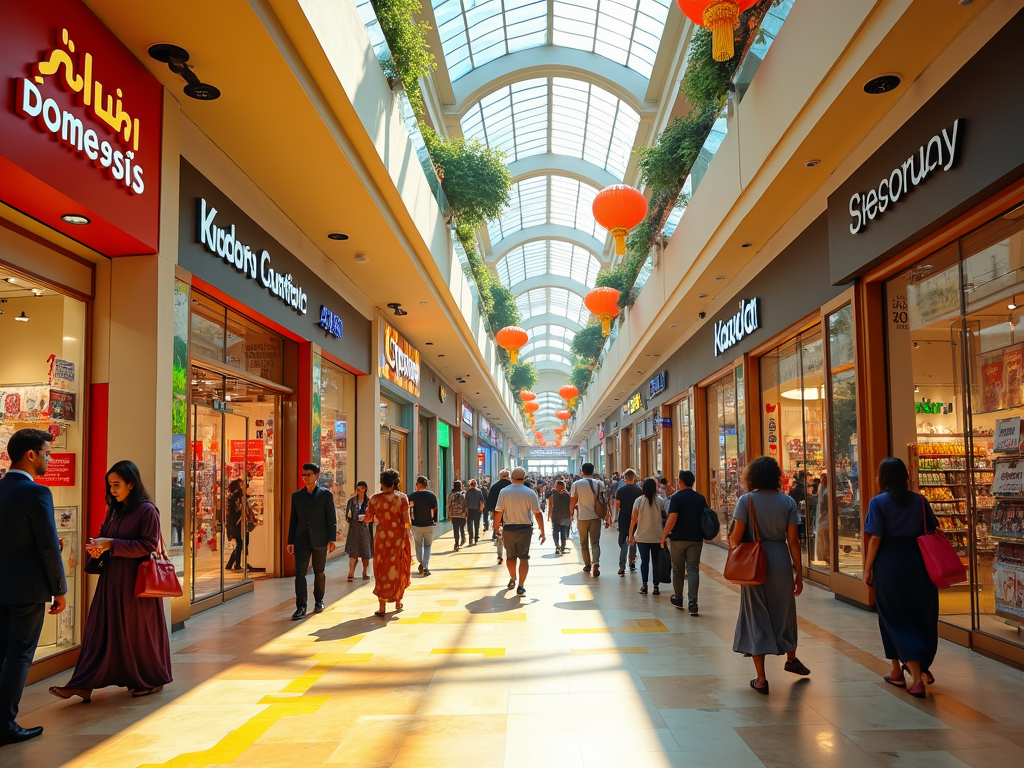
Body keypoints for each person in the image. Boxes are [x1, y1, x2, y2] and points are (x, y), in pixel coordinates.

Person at [50, 459, 172, 704]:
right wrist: (97, 546)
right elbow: (105, 534)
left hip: (136, 582)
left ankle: (150, 679)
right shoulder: (115, 509)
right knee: (100, 630)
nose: (112, 490)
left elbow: (149, 545)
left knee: (136, 632)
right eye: (110, 486)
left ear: (131, 484)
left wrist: (112, 545)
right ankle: (83, 684)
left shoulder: (147, 510)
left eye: (116, 485)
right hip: (112, 579)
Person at [0, 429, 66, 745]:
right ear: (31, 455)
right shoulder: (37, 493)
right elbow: (47, 547)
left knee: (3, 653)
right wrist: (60, 588)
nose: (48, 459)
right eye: (46, 453)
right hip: (28, 590)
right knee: (20, 654)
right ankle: (5, 723)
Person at [730, 456, 809, 694]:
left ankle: (762, 678)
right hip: (781, 559)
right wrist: (799, 571)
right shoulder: (787, 502)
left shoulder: (746, 501)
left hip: (756, 562)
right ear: (776, 477)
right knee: (785, 610)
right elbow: (794, 540)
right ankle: (791, 658)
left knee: (756, 615)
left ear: (752, 476)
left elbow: (735, 537)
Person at [864, 458, 939, 699]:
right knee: (919, 614)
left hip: (889, 563)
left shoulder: (878, 503)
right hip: (920, 562)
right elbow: (932, 529)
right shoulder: (920, 500)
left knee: (892, 616)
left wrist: (867, 568)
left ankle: (916, 677)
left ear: (882, 477)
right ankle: (897, 670)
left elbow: (875, 538)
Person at [287, 464, 337, 620]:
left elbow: (331, 519)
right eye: (303, 475)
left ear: (317, 475)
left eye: (308, 474)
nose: (305, 478)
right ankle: (301, 606)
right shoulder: (296, 496)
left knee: (319, 572)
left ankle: (319, 601)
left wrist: (331, 539)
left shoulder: (326, 495)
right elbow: (293, 520)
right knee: (300, 573)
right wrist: (291, 540)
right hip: (302, 539)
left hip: (320, 539)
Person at [364, 469, 412, 617]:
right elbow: (407, 522)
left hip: (381, 539)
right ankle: (398, 601)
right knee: (398, 568)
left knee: (382, 570)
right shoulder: (402, 498)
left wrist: (379, 519)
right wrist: (407, 534)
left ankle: (382, 606)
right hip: (398, 539)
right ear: (395, 483)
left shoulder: (374, 499)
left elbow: (367, 519)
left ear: (382, 483)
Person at [494, 467, 545, 596]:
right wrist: (542, 531)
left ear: (511, 478)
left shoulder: (504, 492)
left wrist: (495, 528)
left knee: (510, 557)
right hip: (525, 529)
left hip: (509, 529)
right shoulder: (530, 493)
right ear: (525, 478)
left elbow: (498, 511)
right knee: (524, 557)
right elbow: (537, 513)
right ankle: (521, 586)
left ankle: (512, 578)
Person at [662, 470, 707, 615]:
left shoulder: (676, 497)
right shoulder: (700, 498)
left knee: (678, 569)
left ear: (681, 482)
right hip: (695, 538)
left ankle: (678, 597)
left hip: (678, 539)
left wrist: (663, 537)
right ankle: (693, 602)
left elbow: (672, 519)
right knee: (693, 569)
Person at [628, 478, 667, 595]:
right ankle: (656, 586)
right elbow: (666, 516)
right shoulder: (660, 501)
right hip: (656, 536)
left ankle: (644, 585)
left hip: (642, 536)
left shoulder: (638, 501)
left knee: (644, 561)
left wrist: (630, 535)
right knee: (656, 562)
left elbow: (633, 520)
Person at [571, 463, 609, 577]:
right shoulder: (599, 483)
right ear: (593, 471)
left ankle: (587, 564)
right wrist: (607, 516)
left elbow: (573, 501)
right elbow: (604, 501)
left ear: (582, 471)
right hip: (596, 517)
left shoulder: (576, 484)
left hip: (582, 517)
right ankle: (596, 563)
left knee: (583, 542)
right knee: (595, 542)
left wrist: (571, 513)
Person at [408, 476, 438, 576]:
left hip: (416, 524)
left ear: (417, 485)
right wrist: (434, 521)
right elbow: (434, 510)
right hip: (429, 524)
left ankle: (421, 562)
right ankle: (425, 565)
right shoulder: (431, 495)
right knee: (428, 545)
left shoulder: (412, 496)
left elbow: (410, 510)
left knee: (418, 545)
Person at [615, 469, 642, 575]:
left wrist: (615, 517)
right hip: (635, 517)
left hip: (623, 516)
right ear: (634, 477)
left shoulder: (621, 490)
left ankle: (622, 566)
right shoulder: (638, 490)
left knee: (623, 541)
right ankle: (632, 561)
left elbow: (618, 506)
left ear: (624, 478)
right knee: (633, 538)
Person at [344, 481, 372, 582]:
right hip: (354, 528)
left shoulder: (369, 501)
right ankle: (351, 572)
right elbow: (347, 514)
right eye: (358, 489)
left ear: (365, 489)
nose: (360, 491)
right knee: (353, 551)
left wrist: (366, 517)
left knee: (365, 551)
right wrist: (351, 518)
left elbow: (373, 515)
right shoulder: (352, 501)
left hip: (365, 527)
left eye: (362, 489)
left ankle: (365, 571)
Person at [224, 479, 250, 572]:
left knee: (240, 543)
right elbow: (239, 510)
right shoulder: (236, 497)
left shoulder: (232, 497)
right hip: (237, 523)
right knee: (240, 543)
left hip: (235, 523)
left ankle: (236, 563)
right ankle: (231, 563)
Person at [486, 470, 512, 540]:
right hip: (510, 510)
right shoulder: (512, 486)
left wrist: (491, 509)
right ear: (508, 476)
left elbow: (490, 499)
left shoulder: (494, 486)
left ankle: (496, 533)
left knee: (497, 521)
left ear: (500, 476)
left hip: (496, 509)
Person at [548, 479, 572, 554]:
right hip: (565, 515)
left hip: (556, 515)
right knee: (563, 531)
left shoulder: (553, 494)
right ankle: (562, 546)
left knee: (555, 531)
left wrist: (550, 515)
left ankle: (557, 546)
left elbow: (550, 505)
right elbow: (571, 504)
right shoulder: (568, 495)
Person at [815, 472, 831, 564]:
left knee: (826, 539)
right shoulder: (824, 490)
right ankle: (825, 556)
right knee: (825, 538)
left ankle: (826, 556)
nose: (823, 481)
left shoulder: (826, 491)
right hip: (824, 519)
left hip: (825, 519)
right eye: (823, 479)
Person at [447, 481, 468, 550]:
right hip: (462, 514)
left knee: (456, 529)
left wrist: (449, 515)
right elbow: (466, 504)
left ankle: (456, 543)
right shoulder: (464, 493)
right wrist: (466, 513)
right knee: (462, 527)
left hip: (454, 515)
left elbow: (449, 505)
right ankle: (463, 538)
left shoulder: (451, 494)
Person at [465, 479, 486, 546]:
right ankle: (476, 537)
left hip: (470, 510)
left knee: (470, 524)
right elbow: (482, 501)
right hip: (477, 510)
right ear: (476, 485)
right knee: (476, 524)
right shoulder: (479, 492)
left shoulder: (468, 492)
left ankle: (471, 537)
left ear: (470, 485)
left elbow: (466, 502)